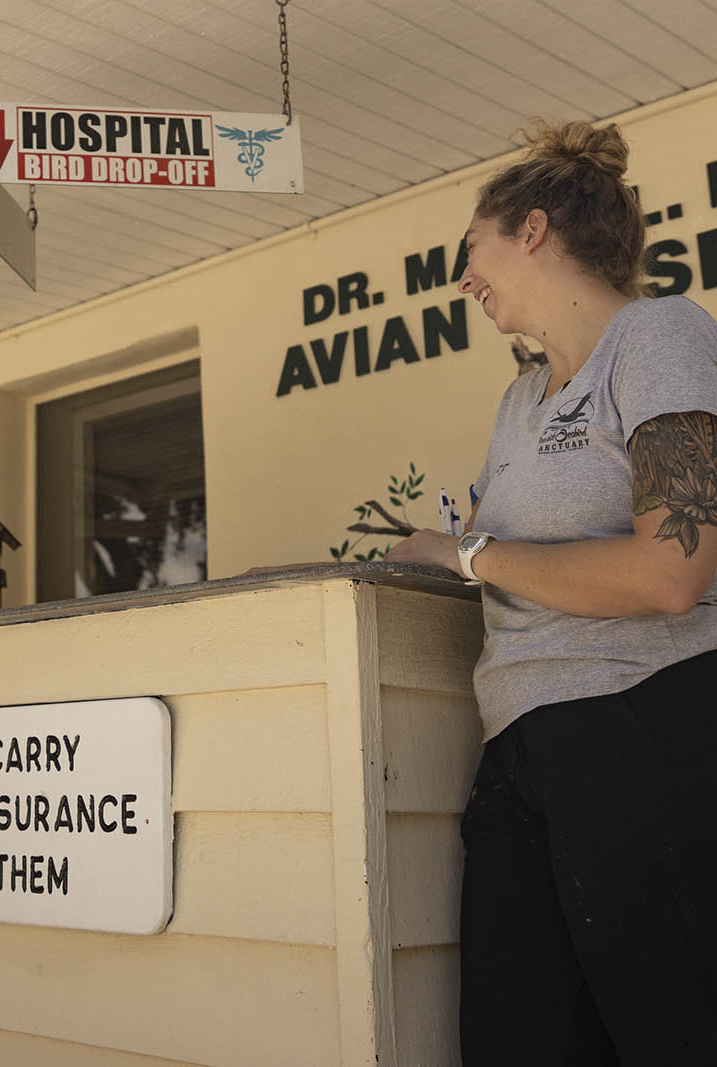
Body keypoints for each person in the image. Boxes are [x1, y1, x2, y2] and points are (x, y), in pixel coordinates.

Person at [387, 122, 717, 1064]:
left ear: (532, 229)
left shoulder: (658, 334)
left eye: (470, 253)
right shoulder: (519, 400)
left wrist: (469, 552)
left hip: (643, 723)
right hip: (519, 748)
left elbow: (673, 570)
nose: (463, 281)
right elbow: (494, 560)